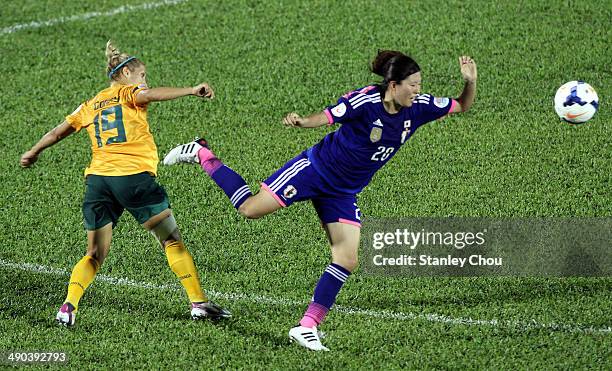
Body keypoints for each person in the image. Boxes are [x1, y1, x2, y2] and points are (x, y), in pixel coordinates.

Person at [163, 50, 477, 350]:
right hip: (314, 170)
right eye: (413, 85)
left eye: (419, 85)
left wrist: (470, 81)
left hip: (343, 191)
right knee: (250, 209)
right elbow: (329, 116)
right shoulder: (366, 100)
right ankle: (202, 153)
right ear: (393, 86)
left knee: (347, 258)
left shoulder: (420, 107)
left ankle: (307, 326)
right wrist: (302, 122)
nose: (418, 91)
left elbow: (462, 105)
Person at [20, 41, 231, 327]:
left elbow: (58, 132)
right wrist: (190, 90)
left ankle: (68, 307)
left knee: (94, 254)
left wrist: (33, 151)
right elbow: (149, 95)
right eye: (142, 75)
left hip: (98, 182)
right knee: (170, 240)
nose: (145, 81)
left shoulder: (92, 103)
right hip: (133, 178)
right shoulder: (128, 92)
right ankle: (198, 303)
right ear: (128, 72)